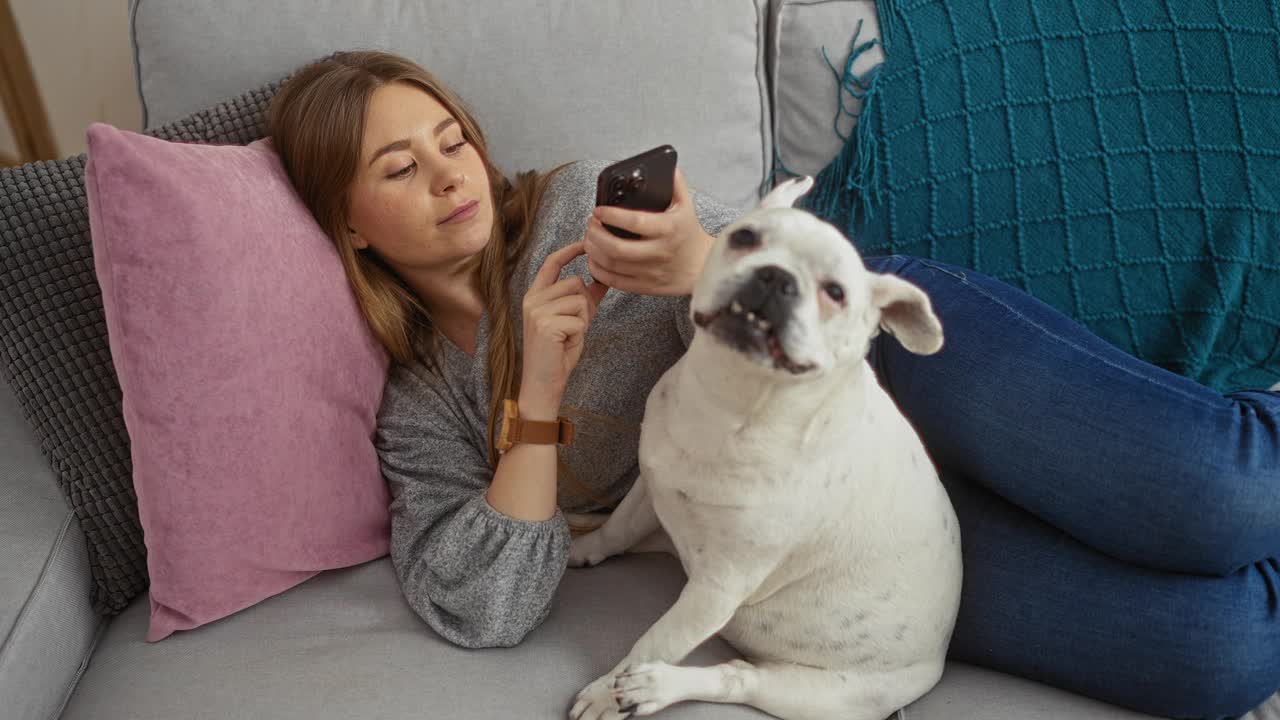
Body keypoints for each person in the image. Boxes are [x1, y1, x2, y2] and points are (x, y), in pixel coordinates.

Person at [266, 50, 1279, 719]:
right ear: (349, 224)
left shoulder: (580, 211)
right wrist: (535, 401)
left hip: (877, 352)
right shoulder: (421, 407)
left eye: (452, 141)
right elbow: (489, 605)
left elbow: (753, 268)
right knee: (1219, 656)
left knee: (1223, 493)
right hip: (840, 536)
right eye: (398, 169)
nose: (451, 177)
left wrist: (694, 256)